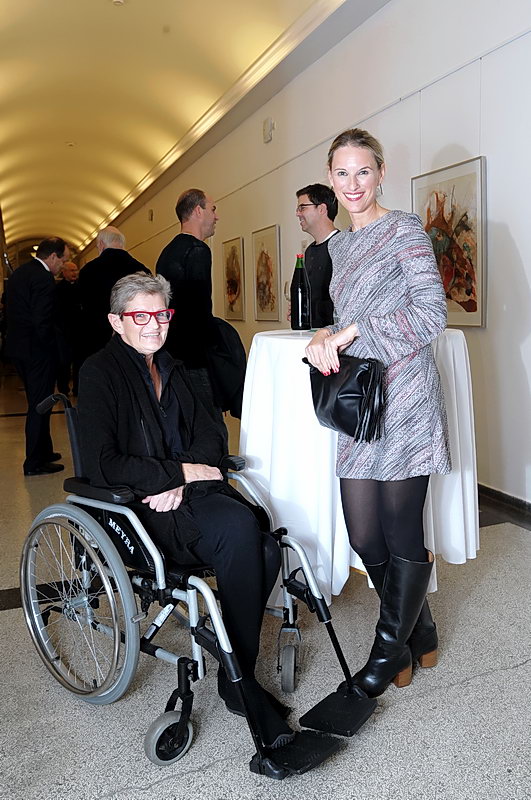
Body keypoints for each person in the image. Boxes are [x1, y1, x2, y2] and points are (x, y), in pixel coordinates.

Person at [77, 271, 294, 749]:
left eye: (161, 314)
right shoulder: (99, 373)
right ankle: (240, 681)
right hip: (138, 509)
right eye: (141, 316)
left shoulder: (177, 368)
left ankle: (235, 673)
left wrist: (182, 475)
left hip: (188, 496)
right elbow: (103, 462)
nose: (154, 325)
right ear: (116, 322)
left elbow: (213, 437)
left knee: (264, 547)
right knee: (241, 529)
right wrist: (176, 474)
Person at [305, 128, 451, 699]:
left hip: (406, 396)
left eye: (362, 171)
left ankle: (387, 652)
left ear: (381, 173)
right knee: (365, 536)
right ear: (331, 179)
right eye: (342, 173)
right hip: (360, 402)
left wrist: (355, 332)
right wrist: (326, 333)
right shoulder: (338, 247)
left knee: (399, 528)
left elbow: (431, 313)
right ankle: (422, 629)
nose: (353, 184)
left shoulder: (405, 230)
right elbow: (346, 314)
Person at [155, 189, 226, 430]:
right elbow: (199, 309)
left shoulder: (167, 252)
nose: (216, 216)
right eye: (212, 209)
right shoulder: (198, 250)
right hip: (194, 358)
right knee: (210, 426)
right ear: (198, 210)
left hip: (171, 355)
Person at [5, 237, 70, 475]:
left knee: (39, 401)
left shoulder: (21, 273)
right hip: (38, 351)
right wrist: (52, 350)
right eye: (63, 260)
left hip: (19, 348)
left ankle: (44, 451)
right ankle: (34, 462)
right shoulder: (43, 278)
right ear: (52, 256)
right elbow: (42, 320)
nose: (62, 266)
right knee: (39, 405)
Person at [78, 225, 149, 359]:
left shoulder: (88, 271)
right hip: (133, 340)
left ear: (101, 244)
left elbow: (84, 309)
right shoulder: (141, 270)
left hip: (97, 341)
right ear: (122, 244)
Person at [295, 183, 339, 327]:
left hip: (335, 335)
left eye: (302, 207)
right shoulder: (309, 251)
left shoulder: (342, 245)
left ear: (321, 209)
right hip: (313, 334)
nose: (297, 213)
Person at [56, 261, 82, 395]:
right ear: (64, 272)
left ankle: (78, 388)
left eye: (76, 270)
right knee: (64, 363)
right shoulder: (58, 289)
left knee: (79, 362)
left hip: (79, 331)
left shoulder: (82, 287)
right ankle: (63, 390)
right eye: (71, 270)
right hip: (64, 332)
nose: (74, 273)